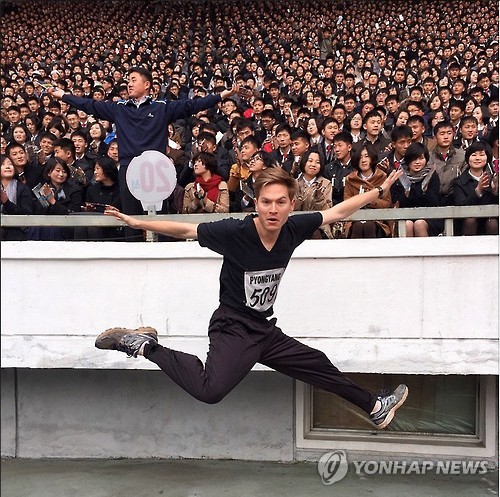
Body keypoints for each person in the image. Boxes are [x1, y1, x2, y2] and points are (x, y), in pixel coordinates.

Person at [96, 166, 408, 431]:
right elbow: (186, 230)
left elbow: (338, 211)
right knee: (210, 390)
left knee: (317, 364)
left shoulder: (294, 228)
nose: (273, 210)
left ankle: (375, 406)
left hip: (263, 329)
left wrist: (379, 189)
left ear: (291, 204)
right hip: (233, 326)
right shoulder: (236, 232)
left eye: (281, 202)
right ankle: (144, 345)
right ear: (256, 203)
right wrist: (138, 223)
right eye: (267, 202)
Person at [48, 67, 239, 240]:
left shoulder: (162, 107)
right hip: (128, 169)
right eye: (127, 80)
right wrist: (63, 95)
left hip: (157, 169)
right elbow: (89, 105)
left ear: (147, 84)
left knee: (159, 218)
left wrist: (222, 95)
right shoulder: (119, 108)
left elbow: (193, 105)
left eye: (133, 79)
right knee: (132, 217)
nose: (129, 84)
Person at [390, 143, 443, 237]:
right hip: (406, 216)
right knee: (408, 224)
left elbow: (432, 201)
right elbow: (399, 201)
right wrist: (421, 192)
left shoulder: (432, 175)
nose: (417, 162)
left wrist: (411, 193)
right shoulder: (400, 176)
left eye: (421, 158)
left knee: (419, 224)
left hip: (429, 217)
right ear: (408, 160)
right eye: (414, 159)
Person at [343, 145, 394, 238]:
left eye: (367, 156)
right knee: (358, 226)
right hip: (355, 218)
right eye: (360, 157)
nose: (363, 160)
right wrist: (360, 200)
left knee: (369, 226)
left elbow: (387, 203)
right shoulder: (350, 179)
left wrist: (370, 200)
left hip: (378, 220)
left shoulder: (382, 177)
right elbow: (347, 203)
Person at [453, 141, 499, 235]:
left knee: (492, 222)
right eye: (473, 155)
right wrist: (478, 191)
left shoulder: (493, 180)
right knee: (471, 220)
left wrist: (495, 192)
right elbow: (460, 206)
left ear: (488, 158)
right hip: (466, 226)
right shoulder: (459, 182)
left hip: (487, 223)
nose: (477, 158)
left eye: (482, 155)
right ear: (468, 158)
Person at [293, 148, 333, 239]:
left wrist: (319, 198)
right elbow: (291, 209)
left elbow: (328, 209)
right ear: (304, 162)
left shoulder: (326, 184)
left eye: (318, 162)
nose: (313, 165)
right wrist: (299, 197)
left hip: (320, 225)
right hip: (298, 223)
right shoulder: (294, 184)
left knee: (315, 233)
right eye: (310, 161)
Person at [0, 155, 35, 241]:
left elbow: (27, 214)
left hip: (17, 230)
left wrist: (7, 203)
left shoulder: (23, 188)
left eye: (10, 164)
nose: (8, 167)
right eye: (3, 164)